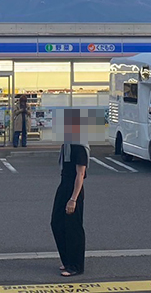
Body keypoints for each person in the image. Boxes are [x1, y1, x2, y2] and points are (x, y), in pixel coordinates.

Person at [51, 111, 89, 277]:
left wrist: (73, 199)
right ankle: (67, 260)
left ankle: (76, 265)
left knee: (73, 227)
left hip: (74, 188)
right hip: (64, 184)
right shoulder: (67, 144)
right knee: (57, 222)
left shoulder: (79, 145)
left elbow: (80, 174)